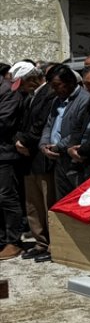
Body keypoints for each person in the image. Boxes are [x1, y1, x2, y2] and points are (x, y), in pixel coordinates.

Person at [13, 62, 55, 253]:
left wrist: (25, 141)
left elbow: (41, 123)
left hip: (41, 156)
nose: (21, 88)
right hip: (29, 159)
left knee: (47, 202)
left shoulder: (48, 93)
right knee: (33, 204)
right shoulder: (29, 97)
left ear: (32, 79)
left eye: (23, 83)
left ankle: (53, 243)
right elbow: (21, 123)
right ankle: (41, 242)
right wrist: (19, 141)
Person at [39, 65, 89, 200]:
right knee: (62, 200)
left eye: (57, 85)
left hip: (74, 160)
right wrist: (44, 145)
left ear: (70, 82)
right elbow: (49, 125)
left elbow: (78, 132)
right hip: (58, 159)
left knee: (78, 199)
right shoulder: (57, 100)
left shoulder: (84, 100)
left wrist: (58, 146)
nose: (54, 90)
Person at [0, 62, 27, 260]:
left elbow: (5, 122)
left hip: (5, 154)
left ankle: (13, 241)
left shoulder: (7, 91)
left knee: (6, 197)